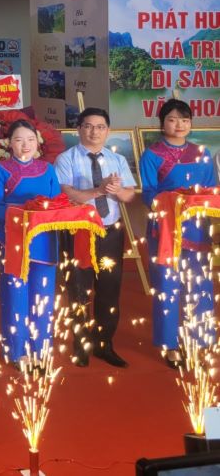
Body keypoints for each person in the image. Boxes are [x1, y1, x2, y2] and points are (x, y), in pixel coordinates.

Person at [139, 98, 217, 369]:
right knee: (167, 286)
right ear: (162, 124)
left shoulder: (202, 153)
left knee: (200, 283)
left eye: (185, 120)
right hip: (165, 228)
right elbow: (148, 194)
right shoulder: (152, 155)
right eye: (172, 120)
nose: (179, 125)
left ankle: (199, 339)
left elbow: (212, 190)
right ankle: (170, 344)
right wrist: (172, 201)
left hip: (197, 226)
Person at [55, 107, 136, 368]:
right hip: (78, 231)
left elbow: (129, 195)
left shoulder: (117, 160)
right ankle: (81, 345)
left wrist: (116, 191)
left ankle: (104, 344)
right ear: (79, 129)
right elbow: (67, 194)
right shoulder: (66, 159)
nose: (94, 132)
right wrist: (98, 191)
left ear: (108, 131)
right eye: (88, 126)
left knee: (109, 288)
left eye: (100, 127)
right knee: (78, 289)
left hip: (110, 231)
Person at [0, 120, 61, 366]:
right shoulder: (0, 170)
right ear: (9, 143)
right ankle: (17, 351)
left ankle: (41, 350)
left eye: (30, 139)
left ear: (37, 142)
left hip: (44, 240)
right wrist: (24, 214)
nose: (25, 145)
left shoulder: (47, 169)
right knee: (15, 295)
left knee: (44, 296)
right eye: (19, 140)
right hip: (14, 240)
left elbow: (57, 203)